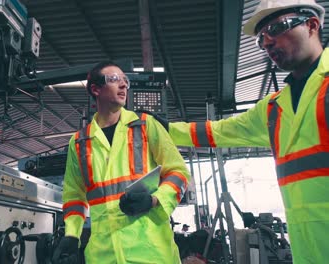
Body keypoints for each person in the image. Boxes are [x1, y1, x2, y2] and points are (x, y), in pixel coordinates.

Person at [157, 0, 328, 263]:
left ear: (312, 25)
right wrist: (159, 127)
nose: (267, 42)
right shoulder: (274, 108)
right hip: (309, 248)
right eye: (262, 38)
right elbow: (218, 132)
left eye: (277, 27)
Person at [52, 61, 191, 264]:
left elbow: (178, 173)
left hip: (151, 253)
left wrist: (154, 200)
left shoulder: (146, 126)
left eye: (125, 80)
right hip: (103, 255)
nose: (124, 85)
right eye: (115, 79)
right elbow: (74, 194)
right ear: (95, 89)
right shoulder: (80, 141)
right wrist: (72, 235)